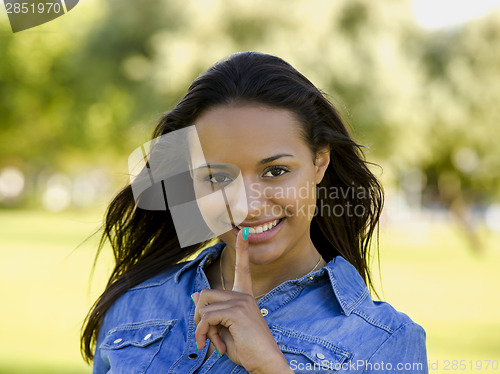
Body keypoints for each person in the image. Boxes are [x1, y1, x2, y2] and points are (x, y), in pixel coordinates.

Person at [81, 51, 428, 373]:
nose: (247, 204)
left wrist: (270, 367)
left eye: (275, 171)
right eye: (217, 177)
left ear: (319, 162)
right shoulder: (134, 307)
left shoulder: (388, 341)